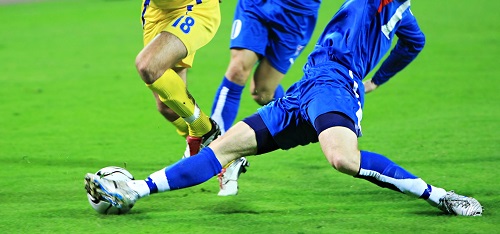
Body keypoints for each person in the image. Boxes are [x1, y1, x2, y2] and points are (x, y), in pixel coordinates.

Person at [86, 0, 483, 216]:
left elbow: (415, 43)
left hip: (336, 87)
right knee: (222, 150)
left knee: (343, 160)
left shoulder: (398, 12)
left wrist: (373, 81)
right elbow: (414, 44)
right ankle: (135, 190)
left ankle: (439, 196)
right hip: (302, 89)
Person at [211, 0, 322, 196]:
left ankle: (304, 115)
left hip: (296, 14)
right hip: (257, 4)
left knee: (262, 92)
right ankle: (213, 146)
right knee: (237, 69)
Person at [138, 0, 222, 159]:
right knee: (168, 108)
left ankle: (206, 131)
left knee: (148, 65)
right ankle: (217, 153)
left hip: (194, 7)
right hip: (156, 12)